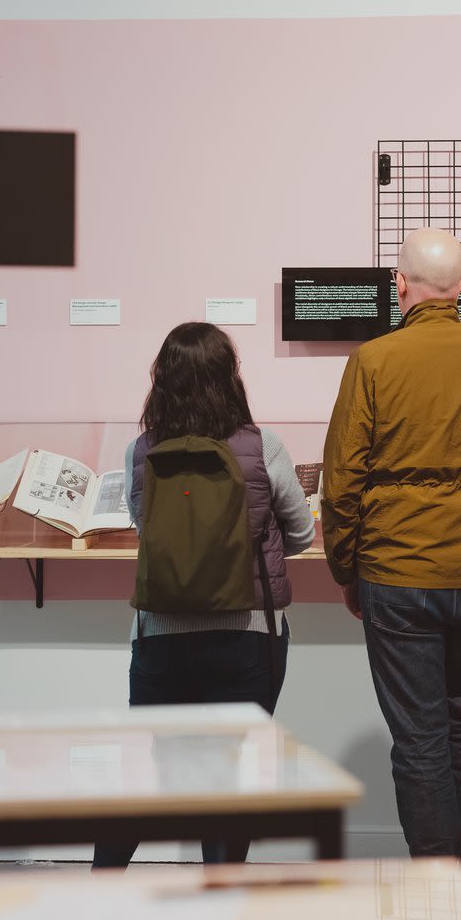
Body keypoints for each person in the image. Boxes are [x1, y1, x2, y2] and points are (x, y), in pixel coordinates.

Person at [321, 227, 461, 888]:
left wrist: (347, 568)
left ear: (400, 287)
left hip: (395, 573)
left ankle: (442, 891)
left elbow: (343, 481)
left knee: (420, 739)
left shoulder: (374, 362)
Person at [93, 321, 315, 869]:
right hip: (247, 636)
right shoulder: (265, 447)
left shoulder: (142, 450)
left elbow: (148, 532)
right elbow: (303, 534)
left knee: (149, 773)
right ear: (229, 377)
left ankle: (99, 885)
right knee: (230, 778)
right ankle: (218, 897)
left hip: (160, 638)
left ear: (161, 381)